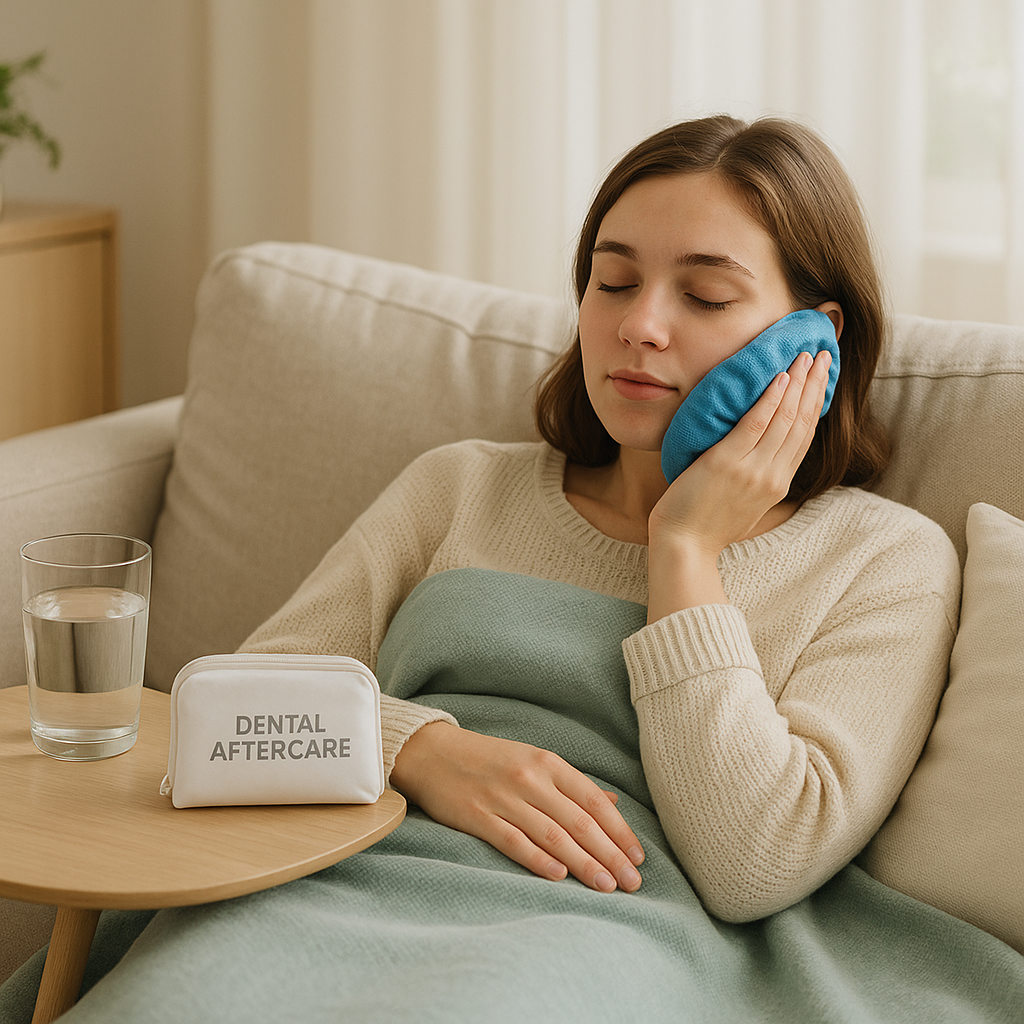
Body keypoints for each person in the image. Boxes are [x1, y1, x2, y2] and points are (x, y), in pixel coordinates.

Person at [240, 114, 960, 923]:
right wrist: (417, 749)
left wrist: (683, 549)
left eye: (706, 294)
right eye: (613, 282)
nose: (638, 326)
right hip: (321, 883)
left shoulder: (884, 560)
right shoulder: (458, 488)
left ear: (813, 342)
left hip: (604, 935)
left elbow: (754, 864)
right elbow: (235, 717)